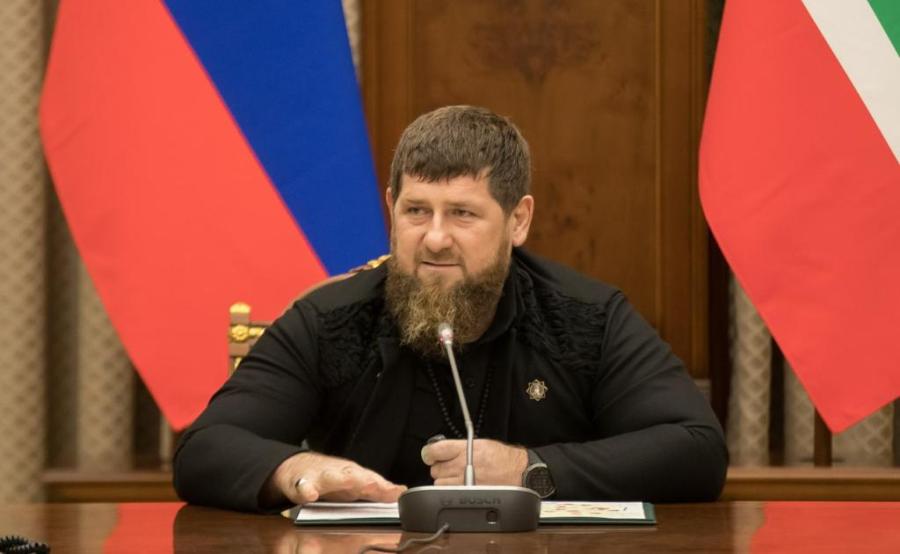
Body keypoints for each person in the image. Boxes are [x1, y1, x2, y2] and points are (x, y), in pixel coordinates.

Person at [173, 105, 728, 512]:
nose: (435, 239)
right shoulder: (330, 320)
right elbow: (204, 450)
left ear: (518, 220)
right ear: (391, 208)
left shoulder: (585, 317)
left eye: (462, 214)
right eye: (416, 211)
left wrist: (528, 469)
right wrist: (295, 469)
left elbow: (697, 450)